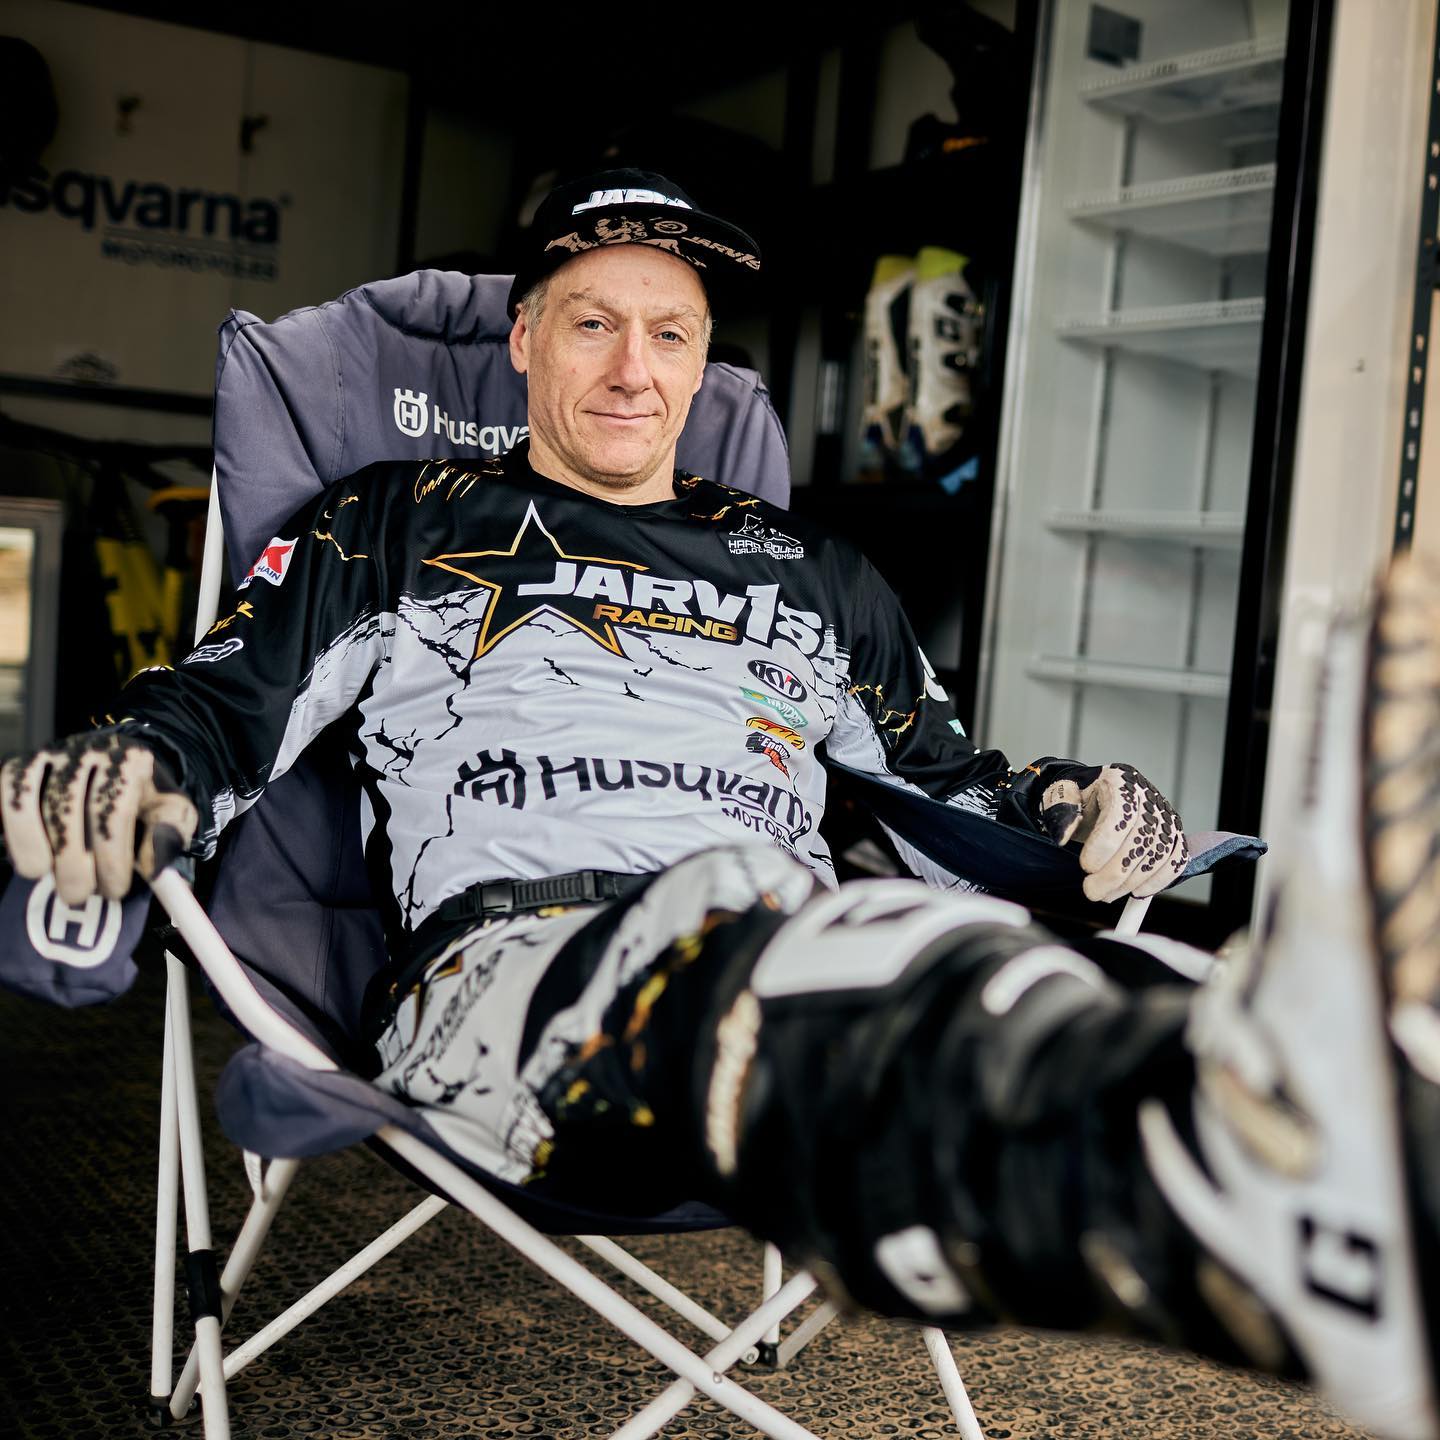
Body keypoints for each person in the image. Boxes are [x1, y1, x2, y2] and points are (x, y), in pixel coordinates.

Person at [2, 169, 1435, 1440]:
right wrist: (132, 772)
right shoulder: (392, 520)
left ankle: (1300, 1115)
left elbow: (949, 792)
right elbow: (221, 709)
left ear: (703, 362)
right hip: (512, 982)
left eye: (672, 333)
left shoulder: (815, 573)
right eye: (593, 323)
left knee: (998, 953)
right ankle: (1213, 1175)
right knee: (755, 938)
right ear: (523, 338)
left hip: (809, 949)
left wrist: (1069, 806)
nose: (635, 370)